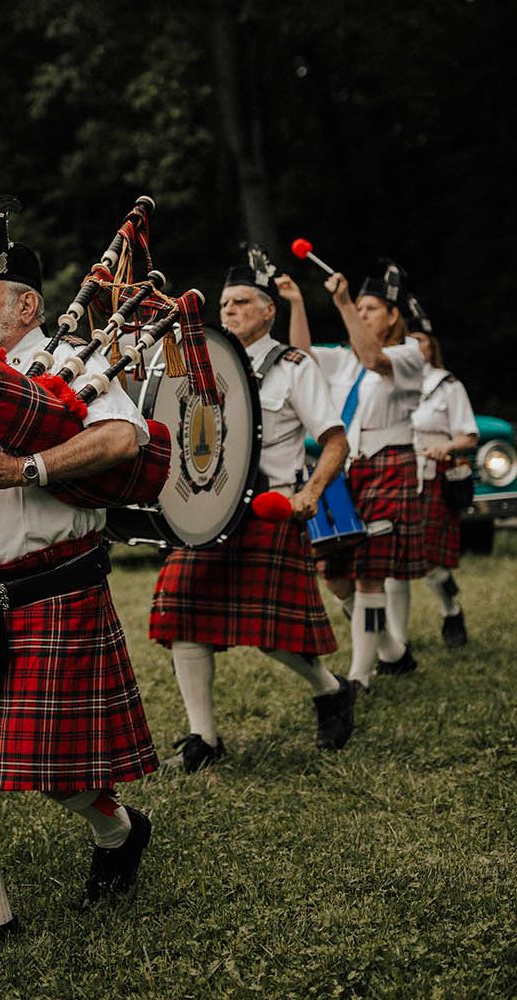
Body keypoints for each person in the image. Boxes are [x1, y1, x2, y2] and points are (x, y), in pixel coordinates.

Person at [0, 198, 158, 951]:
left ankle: (118, 832)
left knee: (61, 776)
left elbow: (125, 436)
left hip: (56, 588)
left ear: (27, 304)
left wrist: (30, 467)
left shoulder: (70, 370)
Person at [149, 250, 354, 771]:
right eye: (224, 304)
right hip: (208, 507)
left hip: (269, 508)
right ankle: (204, 739)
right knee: (180, 612)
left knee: (270, 634)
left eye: (242, 302)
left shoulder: (292, 366)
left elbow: (334, 441)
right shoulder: (204, 362)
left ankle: (330, 689)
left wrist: (309, 495)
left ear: (268, 311)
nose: (230, 311)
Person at [291, 260, 425, 690]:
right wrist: (296, 303)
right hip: (347, 471)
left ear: (392, 316)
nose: (363, 314)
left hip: (389, 464)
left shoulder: (409, 354)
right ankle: (392, 651)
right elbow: (302, 358)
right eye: (359, 308)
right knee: (335, 573)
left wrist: (345, 302)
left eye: (371, 309)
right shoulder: (344, 359)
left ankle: (360, 675)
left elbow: (373, 356)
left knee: (369, 573)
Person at [402, 296, 478, 646]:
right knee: (393, 564)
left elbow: (469, 435)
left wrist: (446, 446)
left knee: (431, 561)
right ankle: (396, 642)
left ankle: (450, 608)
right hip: (400, 475)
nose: (415, 346)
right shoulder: (392, 384)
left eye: (421, 340)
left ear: (431, 347)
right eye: (409, 340)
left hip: (434, 475)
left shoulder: (447, 385)